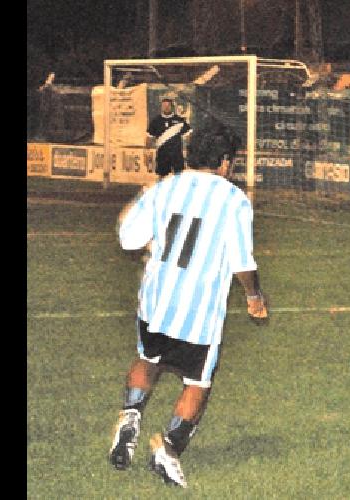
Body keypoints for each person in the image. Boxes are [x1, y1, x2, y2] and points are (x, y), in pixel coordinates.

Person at [108, 126, 269, 488]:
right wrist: (254, 296)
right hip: (198, 313)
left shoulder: (163, 187)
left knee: (148, 359)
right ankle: (168, 448)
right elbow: (242, 260)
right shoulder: (234, 199)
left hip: (156, 302)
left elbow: (128, 237)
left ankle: (130, 418)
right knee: (197, 383)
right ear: (226, 162)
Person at [147, 93, 192, 177]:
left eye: (168, 106)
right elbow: (149, 137)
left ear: (172, 107)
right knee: (162, 177)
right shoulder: (156, 121)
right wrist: (149, 152)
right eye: (164, 105)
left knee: (178, 177)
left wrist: (186, 149)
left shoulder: (179, 120)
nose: (166, 107)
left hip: (176, 155)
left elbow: (188, 135)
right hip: (162, 155)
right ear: (161, 107)